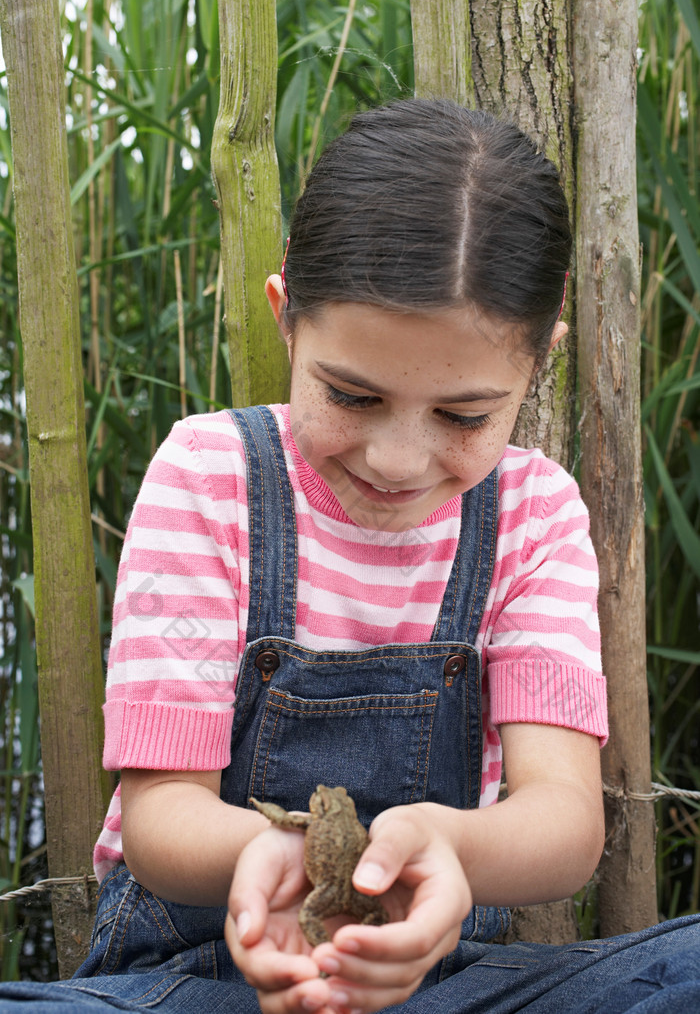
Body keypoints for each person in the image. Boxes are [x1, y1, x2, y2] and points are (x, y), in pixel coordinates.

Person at [1, 98, 699, 1013]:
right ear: (287, 319)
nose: (398, 460)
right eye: (352, 396)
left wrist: (449, 851)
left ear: (541, 361)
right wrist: (268, 859)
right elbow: (161, 815)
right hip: (197, 986)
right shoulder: (211, 480)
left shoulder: (535, 516)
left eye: (464, 415)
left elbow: (564, 825)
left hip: (446, 985)